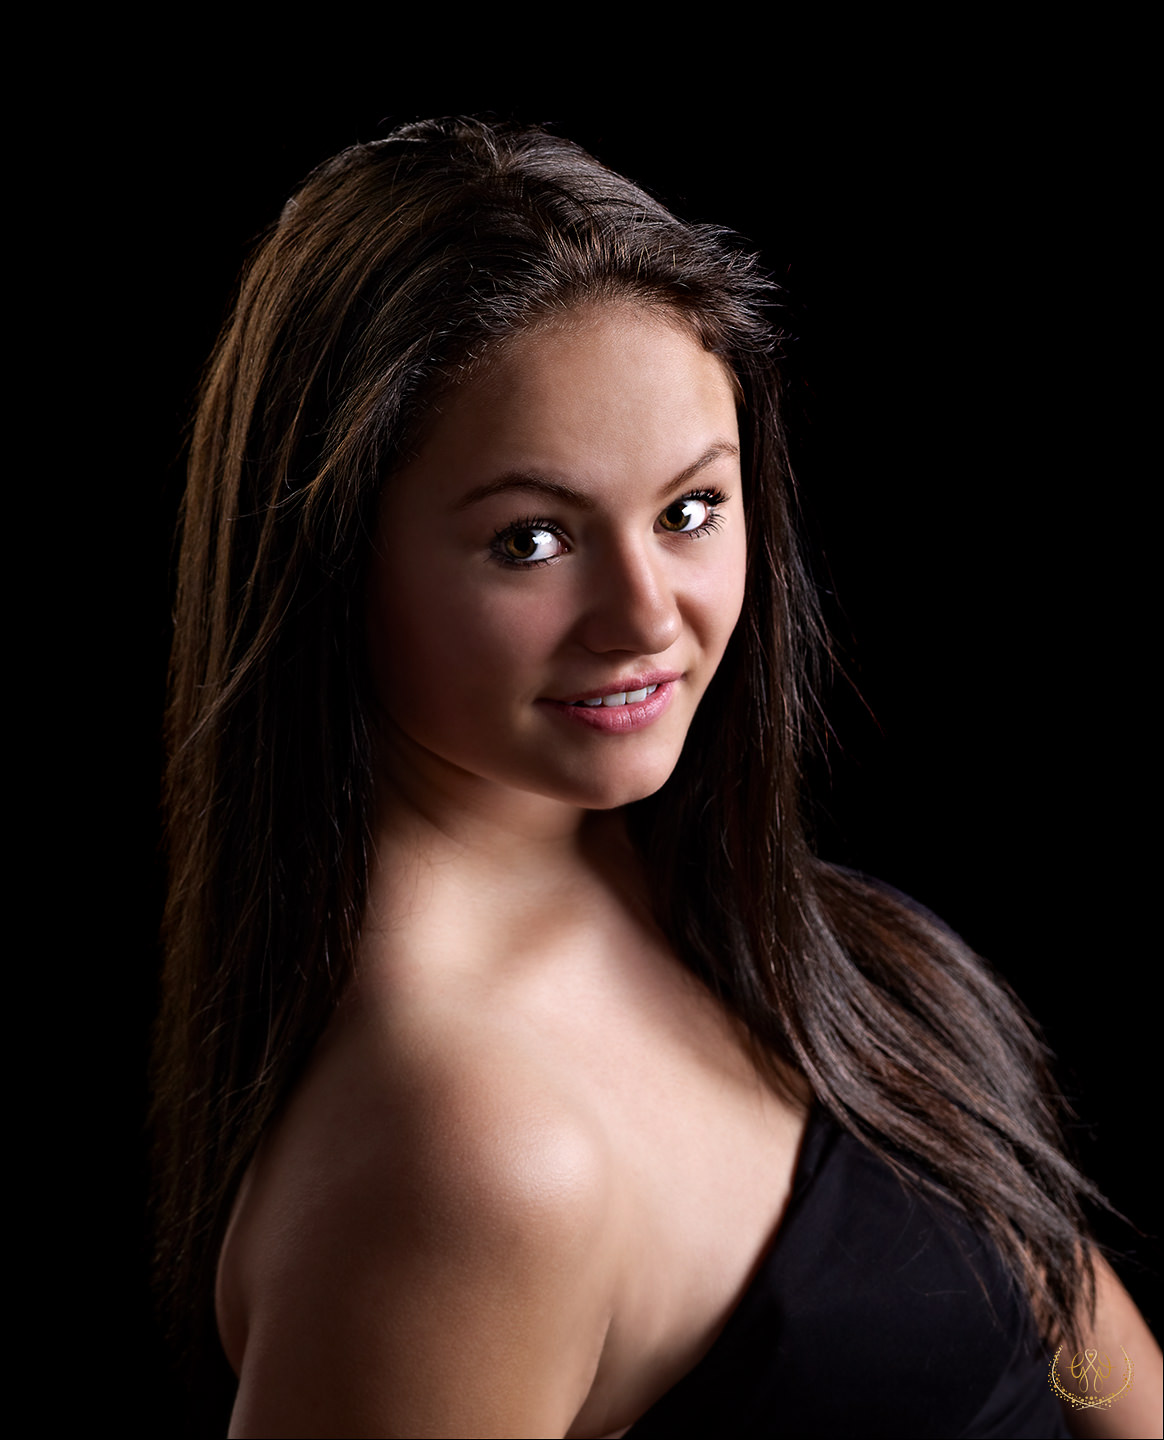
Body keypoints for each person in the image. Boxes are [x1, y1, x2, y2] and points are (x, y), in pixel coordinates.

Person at [152, 116, 1160, 1438]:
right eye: (530, 540)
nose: (646, 615)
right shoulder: (466, 1162)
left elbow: (1061, 1327)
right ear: (331, 564)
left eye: (690, 510)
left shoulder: (710, 890)